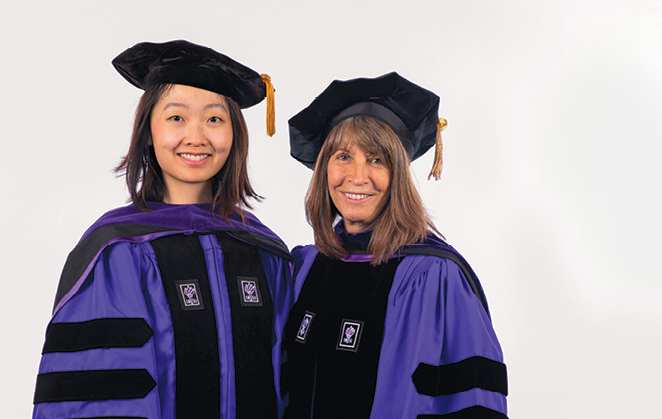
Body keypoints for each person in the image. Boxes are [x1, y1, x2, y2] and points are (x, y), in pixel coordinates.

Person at [32, 40, 291, 419]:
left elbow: (292, 383)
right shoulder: (117, 252)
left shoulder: (265, 252)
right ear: (148, 132)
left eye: (214, 119)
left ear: (234, 134)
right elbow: (102, 394)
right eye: (176, 118)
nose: (196, 136)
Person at [281, 72, 507, 418]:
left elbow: (472, 400)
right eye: (343, 157)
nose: (357, 177)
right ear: (323, 168)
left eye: (376, 159)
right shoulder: (305, 267)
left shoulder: (435, 277)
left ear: (399, 174)